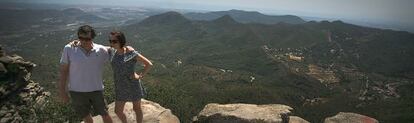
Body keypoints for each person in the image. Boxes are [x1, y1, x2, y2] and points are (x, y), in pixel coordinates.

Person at [58, 25, 113, 123]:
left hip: (96, 90)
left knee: (105, 114)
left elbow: (117, 50)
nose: (83, 41)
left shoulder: (101, 50)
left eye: (87, 39)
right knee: (85, 116)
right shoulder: (69, 49)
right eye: (81, 38)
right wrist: (62, 91)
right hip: (76, 92)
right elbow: (63, 71)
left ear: (92, 38)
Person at [108, 31, 152, 123]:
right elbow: (97, 47)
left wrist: (140, 75)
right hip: (120, 86)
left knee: (137, 109)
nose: (112, 43)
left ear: (121, 41)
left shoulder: (130, 53)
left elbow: (148, 64)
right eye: (110, 41)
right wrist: (79, 42)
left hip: (132, 85)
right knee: (118, 111)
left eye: (114, 41)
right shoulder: (112, 51)